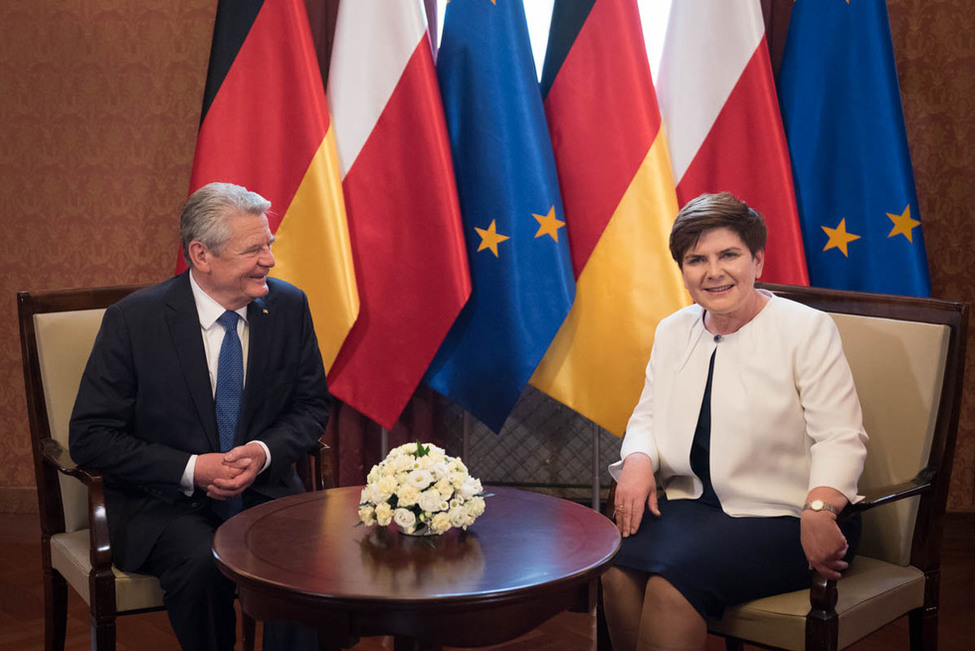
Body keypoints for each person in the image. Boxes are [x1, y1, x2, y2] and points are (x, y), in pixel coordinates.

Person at [69, 182, 330, 651]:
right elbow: (91, 437)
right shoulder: (134, 321)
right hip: (164, 503)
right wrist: (192, 468)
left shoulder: (288, 306)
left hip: (265, 492)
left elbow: (311, 407)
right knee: (202, 566)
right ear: (201, 255)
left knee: (302, 567)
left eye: (268, 245)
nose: (269, 259)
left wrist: (263, 452)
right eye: (254, 249)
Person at [602, 192, 868, 651]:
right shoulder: (672, 330)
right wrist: (639, 459)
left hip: (790, 515)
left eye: (729, 255)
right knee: (614, 569)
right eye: (696, 259)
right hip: (696, 509)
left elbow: (840, 437)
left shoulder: (806, 329)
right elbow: (646, 414)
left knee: (673, 584)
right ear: (682, 270)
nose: (713, 271)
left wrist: (820, 508)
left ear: (757, 259)